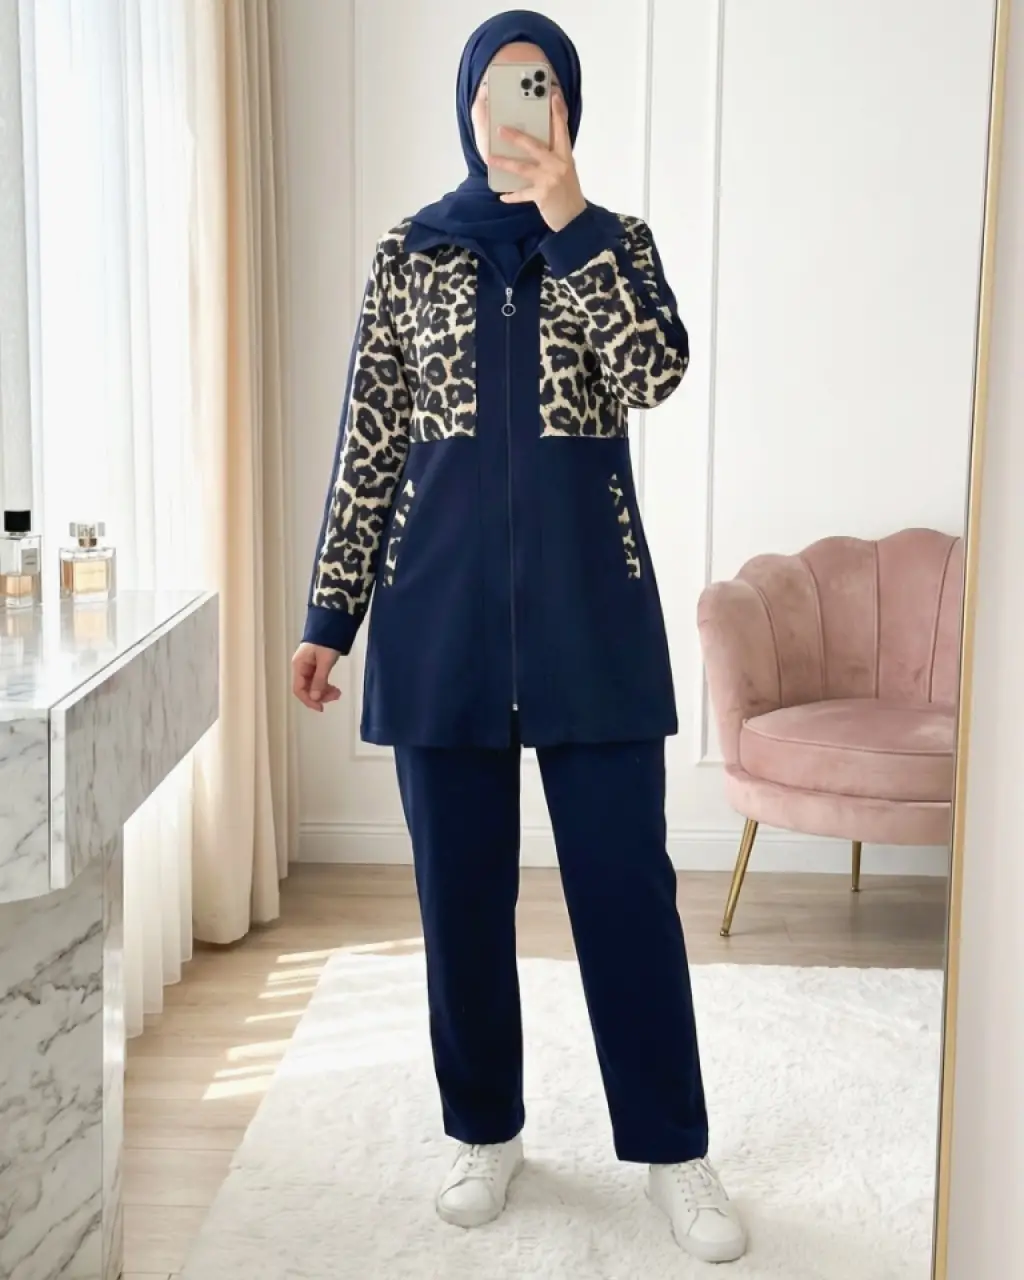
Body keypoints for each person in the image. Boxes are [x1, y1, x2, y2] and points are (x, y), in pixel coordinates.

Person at [292, 9, 746, 1266]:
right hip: (437, 625)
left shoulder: (612, 243)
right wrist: (330, 615)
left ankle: (672, 1148)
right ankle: (483, 1128)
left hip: (590, 622)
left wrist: (570, 219)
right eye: (496, 88)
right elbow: (369, 441)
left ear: (567, 109)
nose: (515, 110)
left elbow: (654, 373)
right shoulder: (409, 255)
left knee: (626, 894)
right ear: (464, 105)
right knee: (460, 899)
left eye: (538, 87)